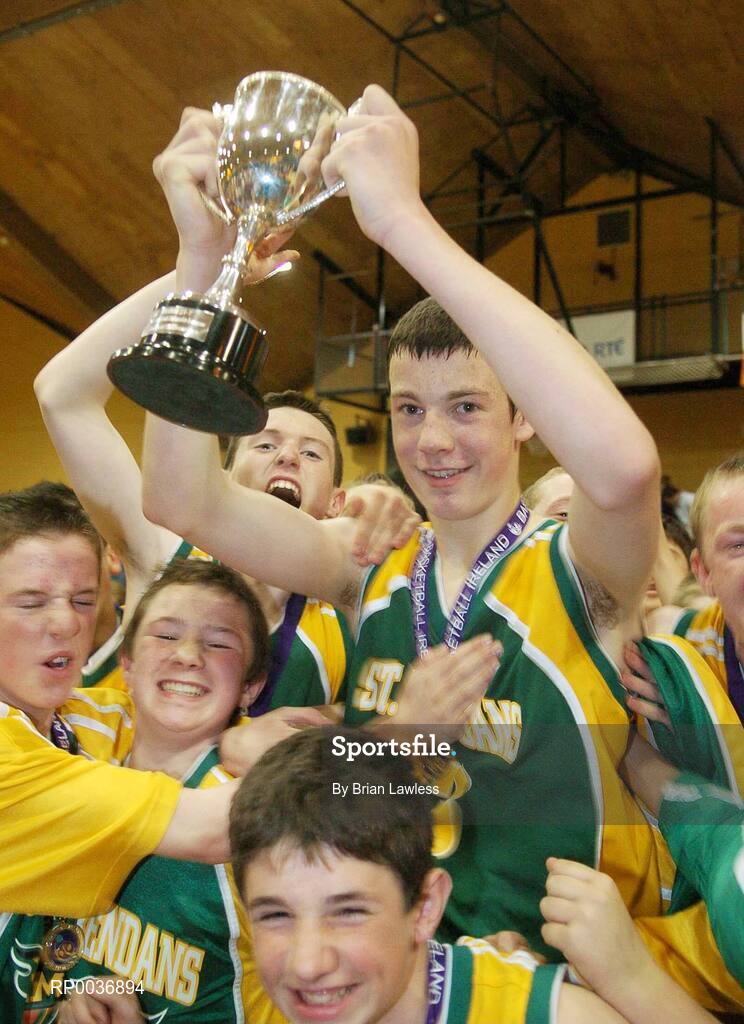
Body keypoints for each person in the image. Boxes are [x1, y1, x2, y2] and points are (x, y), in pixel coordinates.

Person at [140, 89, 742, 1008]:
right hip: (405, 973)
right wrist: (199, 263)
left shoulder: (579, 572)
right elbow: (180, 496)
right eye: (410, 410)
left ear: (525, 418)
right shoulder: (363, 568)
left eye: (467, 407)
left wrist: (403, 224)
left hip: (564, 979)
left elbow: (623, 473)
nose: (433, 441)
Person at [35, 275, 420, 707]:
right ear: (223, 475)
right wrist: (196, 275)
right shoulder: (163, 550)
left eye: (311, 454)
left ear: (335, 503)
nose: (288, 456)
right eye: (267, 444)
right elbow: (61, 397)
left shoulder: (349, 598)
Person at [20, 560, 286, 1023]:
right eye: (165, 636)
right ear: (125, 664)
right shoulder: (75, 759)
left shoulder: (269, 812)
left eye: (219, 642)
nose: (187, 655)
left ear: (250, 686)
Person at [229, 726, 630, 1024]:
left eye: (348, 912)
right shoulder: (276, 1004)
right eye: (275, 915)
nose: (307, 963)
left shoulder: (549, 1016)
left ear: (425, 907)